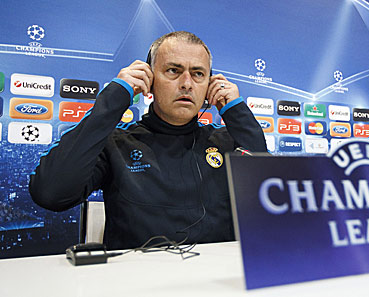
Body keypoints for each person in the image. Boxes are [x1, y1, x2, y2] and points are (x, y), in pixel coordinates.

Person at [29, 31, 267, 249]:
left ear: (209, 86)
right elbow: (50, 194)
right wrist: (116, 97)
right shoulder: (117, 143)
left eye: (198, 74)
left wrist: (237, 112)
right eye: (173, 70)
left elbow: (267, 203)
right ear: (149, 81)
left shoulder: (227, 142)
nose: (186, 83)